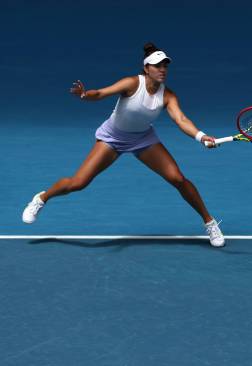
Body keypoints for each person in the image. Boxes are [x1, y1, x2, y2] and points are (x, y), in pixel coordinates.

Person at [22, 43, 225, 247]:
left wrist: (201, 136)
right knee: (78, 183)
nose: (162, 70)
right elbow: (101, 93)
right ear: (146, 68)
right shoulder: (131, 83)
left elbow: (181, 119)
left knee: (178, 179)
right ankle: (41, 198)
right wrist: (85, 95)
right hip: (113, 137)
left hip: (143, 139)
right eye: (157, 66)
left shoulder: (168, 95)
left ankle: (210, 222)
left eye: (165, 66)